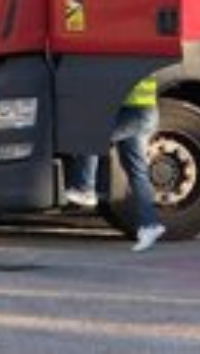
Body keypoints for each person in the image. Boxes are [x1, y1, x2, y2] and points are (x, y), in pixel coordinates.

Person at [64, 76, 166, 252]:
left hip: (136, 113)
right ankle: (150, 225)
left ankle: (85, 188)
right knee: (137, 172)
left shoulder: (127, 55)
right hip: (142, 112)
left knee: (91, 137)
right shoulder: (139, 54)